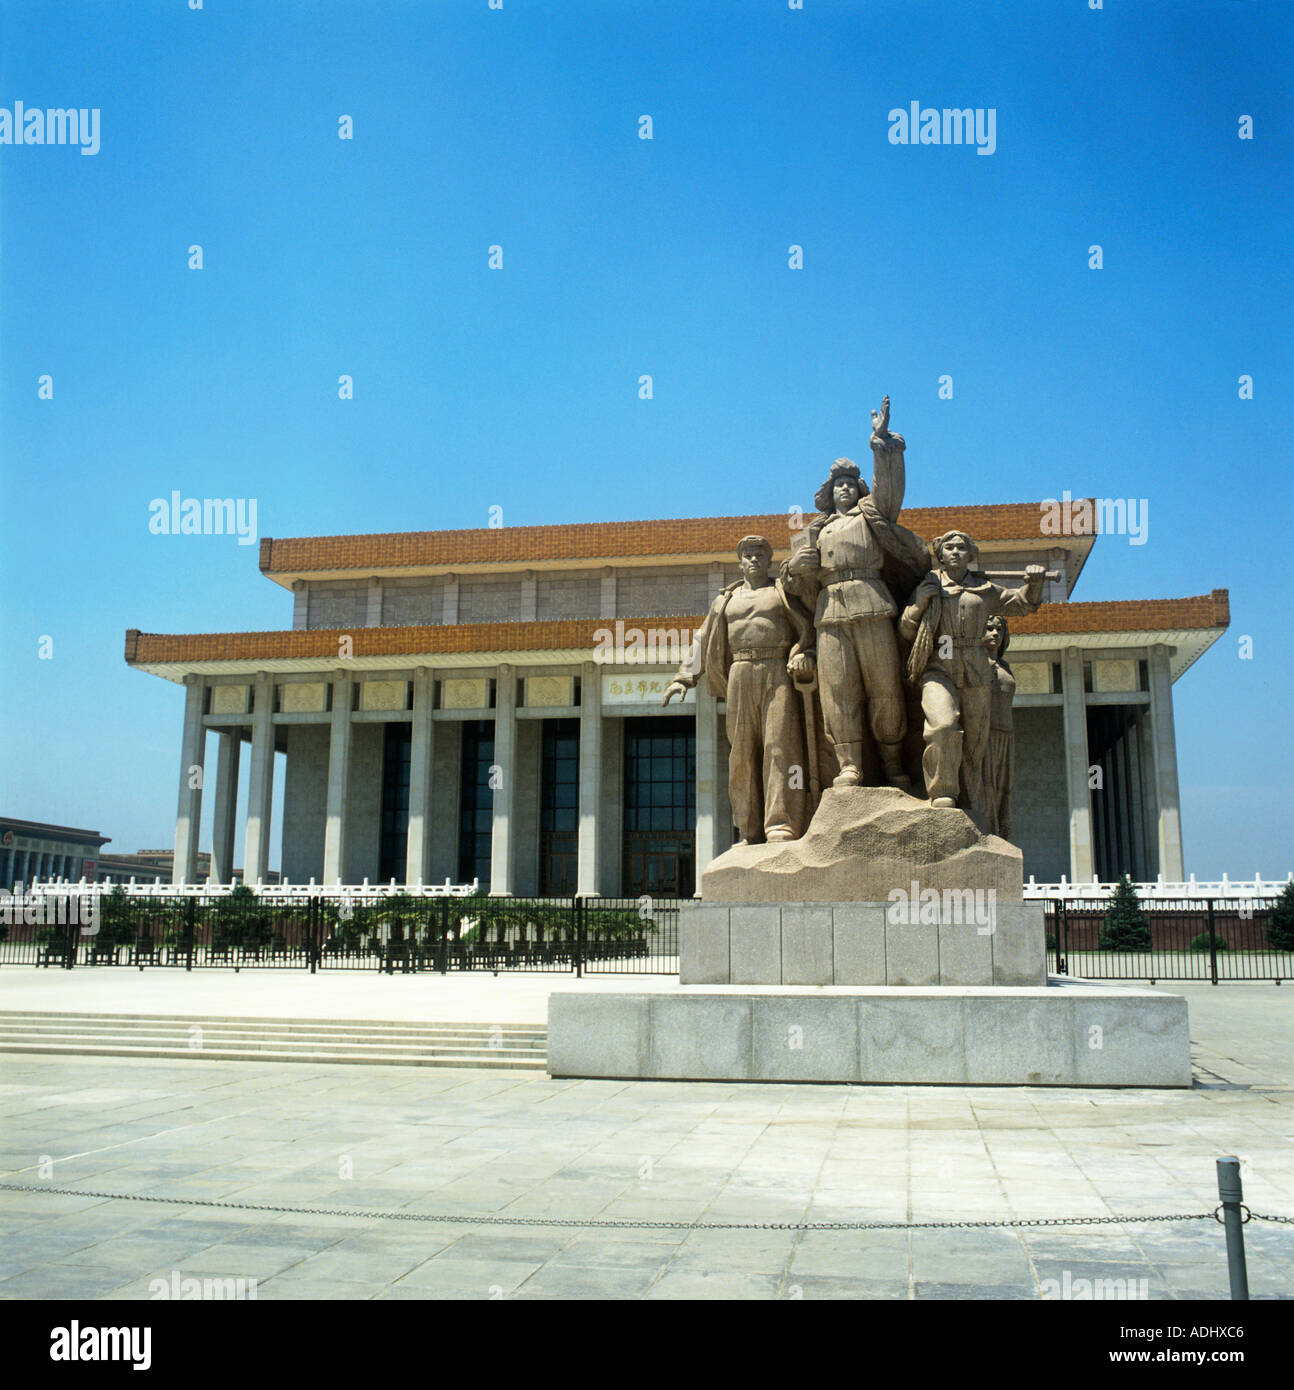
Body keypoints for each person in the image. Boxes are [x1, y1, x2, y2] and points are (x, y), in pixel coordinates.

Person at [787, 396, 928, 790]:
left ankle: (893, 761)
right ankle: (849, 764)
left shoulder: (872, 515)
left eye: (850, 484)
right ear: (828, 494)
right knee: (839, 692)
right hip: (830, 613)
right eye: (838, 486)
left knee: (884, 687)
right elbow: (791, 580)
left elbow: (889, 488)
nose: (844, 489)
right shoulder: (813, 531)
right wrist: (796, 569)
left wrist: (879, 442)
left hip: (872, 602)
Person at [663, 536, 816, 844]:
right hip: (739, 673)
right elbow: (703, 638)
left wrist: (804, 654)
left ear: (770, 560)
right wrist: (684, 677)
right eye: (748, 554)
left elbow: (809, 630)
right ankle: (748, 828)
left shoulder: (782, 593)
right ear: (740, 562)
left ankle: (780, 823)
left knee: (779, 747)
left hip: (776, 670)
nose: (754, 559)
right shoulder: (725, 601)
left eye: (760, 554)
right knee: (742, 753)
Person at [899, 531, 1044, 828]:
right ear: (940, 555)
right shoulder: (930, 584)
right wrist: (918, 605)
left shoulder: (984, 588)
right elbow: (905, 629)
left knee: (976, 744)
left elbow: (1021, 604)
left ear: (970, 554)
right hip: (938, 666)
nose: (955, 552)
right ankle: (943, 791)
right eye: (949, 548)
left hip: (976, 671)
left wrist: (1034, 583)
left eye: (961, 548)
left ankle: (973, 802)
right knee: (943, 725)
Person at [983, 614, 1016, 840]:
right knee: (987, 786)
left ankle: (1002, 834)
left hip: (1007, 733)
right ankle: (986, 832)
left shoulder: (1005, 665)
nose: (995, 633)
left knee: (1004, 788)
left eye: (999, 630)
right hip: (986, 732)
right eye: (989, 628)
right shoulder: (976, 662)